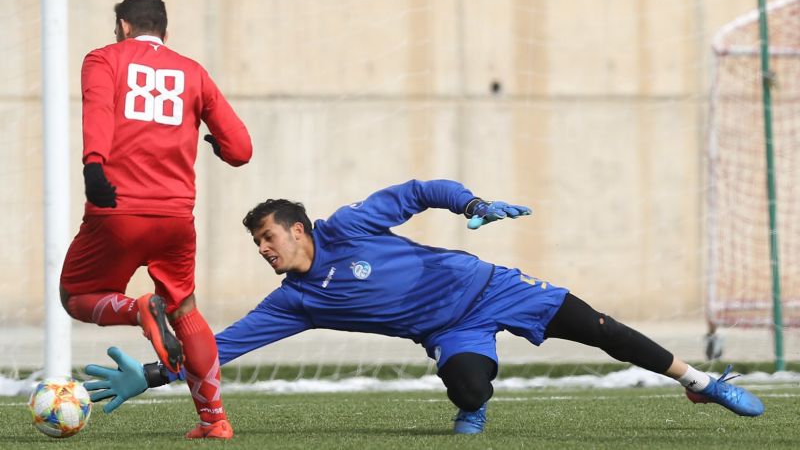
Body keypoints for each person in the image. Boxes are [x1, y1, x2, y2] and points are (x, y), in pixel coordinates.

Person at [83, 179, 764, 435]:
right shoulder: (296, 302)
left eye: (267, 238)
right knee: (469, 387)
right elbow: (220, 347)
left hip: (491, 285)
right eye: (257, 244)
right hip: (451, 328)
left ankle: (701, 384)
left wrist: (473, 205)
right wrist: (149, 376)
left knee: (602, 330)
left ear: (298, 229)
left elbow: (420, 189)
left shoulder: (350, 224)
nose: (263, 250)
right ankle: (472, 401)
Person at [60, 0, 252, 440]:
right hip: (175, 219)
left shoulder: (103, 59)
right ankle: (215, 420)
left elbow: (100, 112)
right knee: (186, 308)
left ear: (124, 26)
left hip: (118, 210)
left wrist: (93, 165)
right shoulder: (193, 72)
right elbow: (241, 149)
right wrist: (218, 146)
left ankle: (138, 310)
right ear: (163, 29)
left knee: (76, 295)